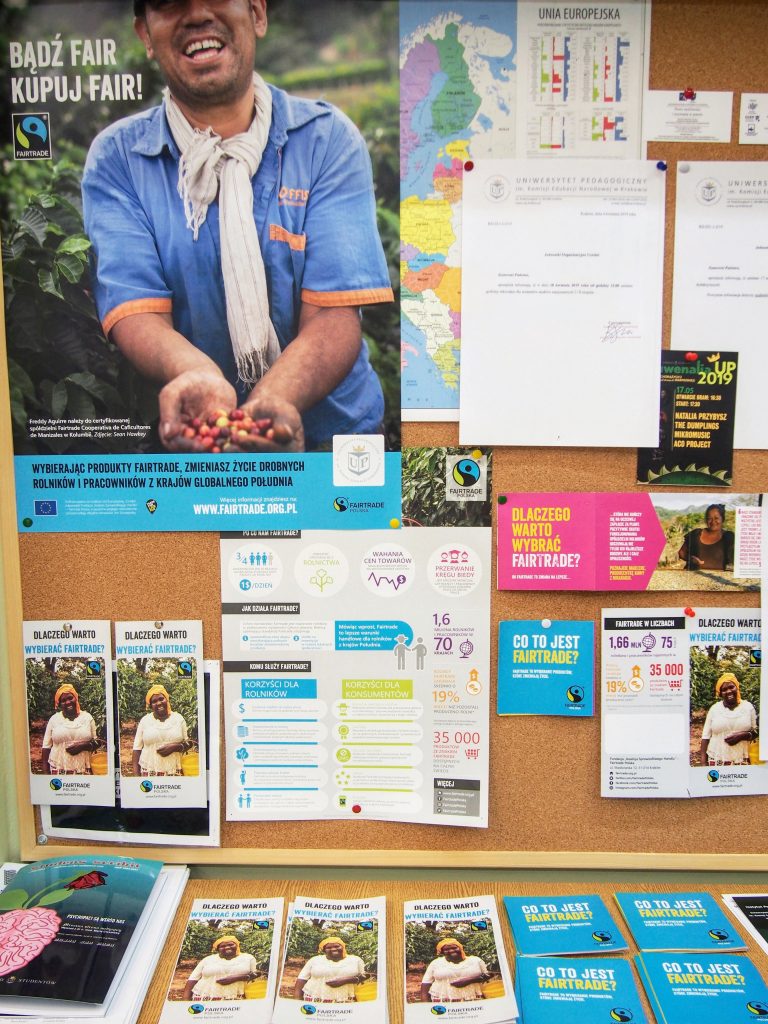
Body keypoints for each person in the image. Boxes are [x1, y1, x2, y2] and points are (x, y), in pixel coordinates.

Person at [81, 0, 394, 453]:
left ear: (258, 14)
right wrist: (196, 374)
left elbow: (333, 313)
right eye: (170, 2)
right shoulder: (118, 159)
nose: (197, 14)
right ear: (145, 34)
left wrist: (275, 398)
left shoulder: (326, 141)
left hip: (334, 444)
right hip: (196, 450)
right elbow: (137, 309)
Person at [132, 684, 192, 776]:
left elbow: (189, 743)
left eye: (161, 699)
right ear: (151, 705)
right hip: (150, 772)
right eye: (154, 701)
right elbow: (137, 749)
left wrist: (176, 747)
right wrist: (136, 778)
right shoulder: (145, 721)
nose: (159, 703)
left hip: (174, 771)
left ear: (166, 699)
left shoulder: (178, 718)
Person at [699, 672, 757, 767]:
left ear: (737, 687)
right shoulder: (714, 709)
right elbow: (705, 737)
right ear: (720, 693)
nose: (729, 691)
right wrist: (703, 763)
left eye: (731, 687)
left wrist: (743, 735)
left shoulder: (748, 707)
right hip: (716, 760)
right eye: (724, 689)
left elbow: (756, 732)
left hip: (742, 760)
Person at [41, 684, 98, 775]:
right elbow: (46, 747)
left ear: (76, 698)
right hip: (58, 770)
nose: (68, 702)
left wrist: (84, 746)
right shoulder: (54, 719)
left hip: (83, 770)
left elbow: (98, 742)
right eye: (63, 701)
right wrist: (46, 773)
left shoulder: (87, 717)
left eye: (70, 698)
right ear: (59, 704)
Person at [182, 936, 259, 1001]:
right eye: (222, 946)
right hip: (204, 997)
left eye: (231, 944)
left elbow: (256, 974)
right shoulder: (208, 959)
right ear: (217, 949)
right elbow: (193, 979)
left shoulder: (248, 958)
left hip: (236, 998)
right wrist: (185, 1000)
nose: (227, 947)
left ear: (237, 945)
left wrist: (237, 978)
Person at [293, 937, 366, 1003]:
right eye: (328, 947)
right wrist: (297, 1001)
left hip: (345, 999)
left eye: (337, 946)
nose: (333, 949)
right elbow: (301, 979)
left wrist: (347, 980)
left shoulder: (355, 960)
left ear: (343, 947)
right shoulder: (315, 960)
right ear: (324, 950)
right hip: (314, 998)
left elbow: (366, 976)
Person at [420, 937, 491, 1003]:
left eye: (454, 948)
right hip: (442, 1000)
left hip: (473, 998)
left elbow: (488, 975)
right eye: (446, 949)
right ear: (442, 952)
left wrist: (469, 980)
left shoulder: (475, 960)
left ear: (460, 948)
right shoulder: (436, 963)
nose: (451, 950)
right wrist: (425, 1003)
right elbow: (426, 983)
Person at [678, 503, 734, 570]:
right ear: (706, 520)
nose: (713, 522)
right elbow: (681, 553)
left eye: (716, 518)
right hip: (692, 575)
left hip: (718, 576)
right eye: (709, 518)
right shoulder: (695, 534)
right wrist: (690, 558)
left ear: (723, 519)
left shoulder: (729, 537)